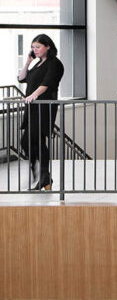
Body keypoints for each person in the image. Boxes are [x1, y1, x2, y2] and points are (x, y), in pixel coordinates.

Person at [17, 34, 65, 191]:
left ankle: (42, 175)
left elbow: (48, 83)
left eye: (38, 47)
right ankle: (43, 175)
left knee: (34, 139)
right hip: (32, 107)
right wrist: (28, 62)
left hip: (44, 107)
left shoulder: (55, 64)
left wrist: (33, 95)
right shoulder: (37, 64)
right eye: (33, 47)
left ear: (48, 46)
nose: (34, 50)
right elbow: (22, 78)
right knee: (30, 141)